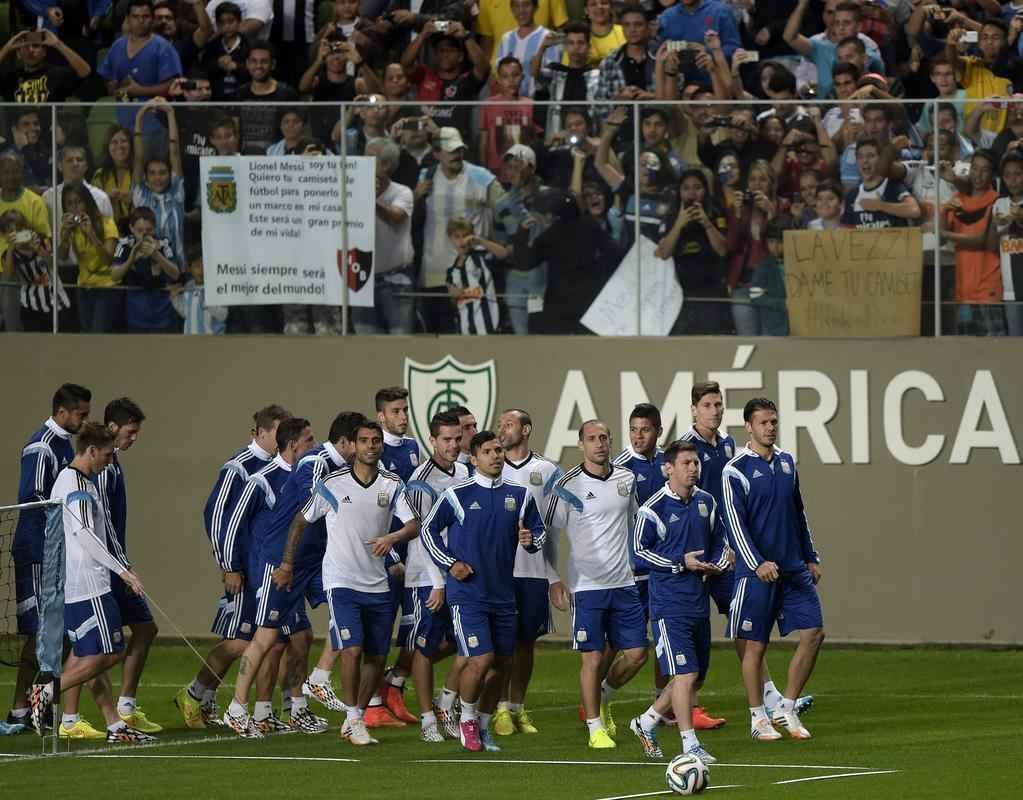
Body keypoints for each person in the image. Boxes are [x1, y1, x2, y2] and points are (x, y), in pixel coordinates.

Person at [237, 421, 418, 746]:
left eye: (376, 441)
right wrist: (288, 564)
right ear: (353, 444)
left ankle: (348, 711)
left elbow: (412, 524)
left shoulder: (392, 484)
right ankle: (245, 707)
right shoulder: (330, 482)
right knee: (350, 650)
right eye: (364, 440)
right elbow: (301, 520)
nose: (371, 446)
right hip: (339, 579)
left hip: (375, 582)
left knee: (375, 657)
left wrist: (392, 539)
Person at [27, 422, 155, 744]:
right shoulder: (76, 485)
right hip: (89, 584)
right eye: (108, 455)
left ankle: (113, 726)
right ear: (92, 451)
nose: (111, 461)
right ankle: (47, 689)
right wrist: (121, 571)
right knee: (110, 652)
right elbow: (85, 534)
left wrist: (123, 565)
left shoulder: (79, 480)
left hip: (75, 584)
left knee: (86, 656)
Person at [420, 430, 546, 753]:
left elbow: (539, 533)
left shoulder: (520, 495)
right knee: (481, 658)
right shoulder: (456, 495)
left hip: (504, 595)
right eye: (488, 451)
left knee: (502, 664)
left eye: (499, 450)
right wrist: (451, 564)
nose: (496, 455)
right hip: (468, 595)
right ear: (474, 459)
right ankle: (467, 720)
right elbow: (427, 530)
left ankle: (485, 726)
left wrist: (532, 542)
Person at [173, 405, 290, 729]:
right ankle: (194, 694)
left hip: (263, 569)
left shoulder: (280, 468)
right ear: (260, 433)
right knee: (241, 640)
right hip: (243, 569)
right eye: (278, 433)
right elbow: (217, 517)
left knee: (263, 638)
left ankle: (209, 700)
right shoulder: (239, 467)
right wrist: (228, 565)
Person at [722, 397, 824, 741]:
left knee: (814, 633)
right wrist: (756, 563)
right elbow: (734, 524)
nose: (770, 428)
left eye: (774, 422)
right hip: (756, 573)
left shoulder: (787, 462)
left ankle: (787, 707)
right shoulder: (734, 470)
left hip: (793, 568)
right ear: (748, 426)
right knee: (755, 646)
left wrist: (811, 556)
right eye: (763, 423)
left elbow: (799, 513)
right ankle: (757, 718)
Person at [218, 416, 326, 735]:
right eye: (309, 440)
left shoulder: (305, 472)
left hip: (297, 568)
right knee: (266, 639)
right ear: (294, 445)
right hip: (272, 569)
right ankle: (237, 708)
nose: (315, 445)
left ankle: (282, 710)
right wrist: (231, 566)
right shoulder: (262, 479)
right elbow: (233, 522)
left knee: (301, 637)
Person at [544, 420, 646, 749]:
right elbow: (545, 533)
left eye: (604, 437)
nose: (599, 444)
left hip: (624, 582)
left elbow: (636, 522)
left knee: (637, 654)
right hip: (586, 586)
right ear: (580, 445)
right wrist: (553, 578)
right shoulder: (567, 486)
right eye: (592, 439)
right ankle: (594, 728)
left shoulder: (626, 479)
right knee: (592, 658)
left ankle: (602, 697)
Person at [628, 439, 727, 764]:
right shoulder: (652, 509)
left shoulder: (706, 502)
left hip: (698, 602)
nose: (693, 469)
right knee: (684, 676)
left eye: (696, 463)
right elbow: (638, 554)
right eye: (686, 463)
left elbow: (719, 540)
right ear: (667, 468)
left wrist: (719, 562)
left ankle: (646, 722)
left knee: (693, 675)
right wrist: (679, 562)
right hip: (669, 606)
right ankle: (690, 745)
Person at [6, 383, 90, 731]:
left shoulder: (63, 444)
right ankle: (29, 710)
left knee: (51, 633)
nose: (84, 421)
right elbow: (35, 501)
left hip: (53, 551)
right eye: (80, 414)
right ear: (62, 411)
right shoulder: (41, 447)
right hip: (38, 551)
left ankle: (24, 711)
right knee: (44, 632)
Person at [492, 408, 564, 736]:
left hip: (534, 570)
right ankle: (499, 708)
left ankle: (518, 708)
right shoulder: (488, 466)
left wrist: (554, 576)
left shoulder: (547, 470)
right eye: (500, 425)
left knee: (525, 644)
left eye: (509, 424)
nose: (502, 430)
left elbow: (559, 521)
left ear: (527, 429)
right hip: (499, 572)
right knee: (501, 643)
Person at [401, 411, 471, 742]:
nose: (454, 445)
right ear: (432, 440)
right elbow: (422, 535)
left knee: (468, 644)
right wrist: (439, 581)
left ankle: (445, 703)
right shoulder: (421, 480)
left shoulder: (465, 471)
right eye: (446, 439)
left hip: (458, 571)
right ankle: (429, 719)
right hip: (427, 577)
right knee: (426, 648)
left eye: (458, 438)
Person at [93, 399, 161, 733]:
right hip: (103, 568)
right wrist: (120, 564)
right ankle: (67, 713)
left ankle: (126, 706)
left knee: (146, 628)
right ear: (113, 427)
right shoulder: (101, 467)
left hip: (118, 562)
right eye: (131, 432)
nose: (134, 438)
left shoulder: (113, 462)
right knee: (99, 646)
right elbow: (99, 523)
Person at [415, 127, 504, 333]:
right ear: (436, 153)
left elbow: (505, 212)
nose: (457, 154)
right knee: (438, 335)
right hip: (434, 273)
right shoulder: (425, 176)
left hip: (472, 274)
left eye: (459, 149)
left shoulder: (481, 177)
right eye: (450, 150)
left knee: (474, 332)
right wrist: (416, 195)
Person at [655, 168, 730, 335]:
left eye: (697, 187)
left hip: (711, 294)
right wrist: (679, 224)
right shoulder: (672, 216)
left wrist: (706, 223)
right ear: (679, 192)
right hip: (679, 296)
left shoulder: (716, 213)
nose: (692, 193)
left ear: (705, 190)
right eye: (686, 188)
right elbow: (662, 254)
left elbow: (723, 251)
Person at [353, 138, 415, 335]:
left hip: (395, 280)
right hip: (360, 281)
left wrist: (369, 199)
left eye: (370, 157)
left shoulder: (402, 192)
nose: (363, 160)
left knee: (400, 343)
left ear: (386, 164)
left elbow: (395, 218)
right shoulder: (350, 191)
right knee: (367, 348)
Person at [98, 0, 184, 136]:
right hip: (124, 123)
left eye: (145, 16)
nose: (141, 21)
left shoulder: (163, 47)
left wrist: (139, 91)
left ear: (152, 20)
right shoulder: (117, 46)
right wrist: (115, 88)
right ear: (128, 19)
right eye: (135, 17)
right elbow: (110, 84)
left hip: (156, 123)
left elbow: (173, 85)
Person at [943, 149, 1004, 336]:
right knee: (967, 351)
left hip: (988, 288)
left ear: (992, 174)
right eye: (975, 168)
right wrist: (943, 211)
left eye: (984, 170)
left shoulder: (997, 200)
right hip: (963, 289)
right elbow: (938, 237)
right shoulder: (958, 199)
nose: (978, 175)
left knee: (996, 349)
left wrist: (945, 233)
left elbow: (981, 241)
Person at [402, 23, 490, 138]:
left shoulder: (466, 81)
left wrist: (466, 37)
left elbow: (483, 66)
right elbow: (406, 63)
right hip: (426, 143)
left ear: (460, 57)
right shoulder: (425, 76)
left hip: (456, 143)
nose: (445, 55)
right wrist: (422, 35)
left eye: (450, 50)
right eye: (441, 51)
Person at [132, 99, 186, 270]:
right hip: (147, 271)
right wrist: (140, 116)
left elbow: (175, 152)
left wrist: (170, 113)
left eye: (163, 173)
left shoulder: (176, 194)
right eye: (152, 173)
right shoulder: (141, 194)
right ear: (146, 177)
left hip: (177, 269)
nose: (158, 178)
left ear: (170, 175)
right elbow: (139, 158)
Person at [58, 184, 120, 333]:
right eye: (69, 203)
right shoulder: (70, 227)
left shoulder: (107, 223)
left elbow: (107, 260)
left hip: (106, 287)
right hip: (83, 286)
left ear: (87, 202)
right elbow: (63, 256)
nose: (75, 207)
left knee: (98, 334)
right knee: (86, 335)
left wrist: (91, 234)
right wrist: (65, 236)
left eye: (78, 202)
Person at [0, 210, 70, 332]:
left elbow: (54, 263)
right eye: (11, 231)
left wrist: (39, 250)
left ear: (26, 227)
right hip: (30, 305)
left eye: (19, 228)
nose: (16, 233)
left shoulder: (42, 240)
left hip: (56, 300)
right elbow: (8, 278)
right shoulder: (8, 255)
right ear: (5, 235)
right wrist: (11, 248)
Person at [479, 57, 541, 181]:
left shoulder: (531, 105)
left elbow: (536, 142)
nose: (511, 80)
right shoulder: (489, 105)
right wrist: (484, 173)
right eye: (505, 76)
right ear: (499, 80)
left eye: (515, 75)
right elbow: (483, 142)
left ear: (522, 77)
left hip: (524, 173)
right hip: (496, 173)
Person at [840, 139, 921, 229]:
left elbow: (914, 210)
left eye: (870, 156)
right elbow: (846, 233)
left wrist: (880, 206)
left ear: (880, 159)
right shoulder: (852, 196)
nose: (865, 161)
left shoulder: (892, 185)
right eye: (860, 157)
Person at [235, 42, 299, 154]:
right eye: (254, 61)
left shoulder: (287, 93)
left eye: (264, 61)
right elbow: (234, 131)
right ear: (247, 64)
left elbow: (295, 131)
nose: (258, 66)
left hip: (277, 161)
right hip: (245, 160)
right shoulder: (240, 93)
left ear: (273, 64)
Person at [446, 218, 505, 335]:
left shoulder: (482, 256)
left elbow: (503, 254)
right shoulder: (451, 271)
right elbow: (452, 299)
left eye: (465, 235)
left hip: (489, 325)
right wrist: (453, 294)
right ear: (450, 238)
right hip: (465, 328)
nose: (461, 241)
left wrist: (480, 241)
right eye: (457, 237)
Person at [0, 28, 90, 102]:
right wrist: (7, 47)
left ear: (44, 52)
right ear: (18, 54)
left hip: (51, 124)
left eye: (36, 46)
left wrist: (57, 43)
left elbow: (85, 71)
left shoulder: (56, 74)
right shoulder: (10, 78)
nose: (31, 50)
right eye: (26, 46)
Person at [991, 151, 1023, 335]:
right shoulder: (999, 204)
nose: (1013, 179)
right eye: (1008, 175)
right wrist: (1000, 228)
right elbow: (990, 245)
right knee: (1016, 344)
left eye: (1018, 174)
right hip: (1010, 291)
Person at [495, 0, 552, 98]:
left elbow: (551, 75)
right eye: (517, 6)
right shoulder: (506, 38)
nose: (521, 10)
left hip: (537, 104)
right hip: (510, 105)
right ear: (512, 9)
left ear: (535, 7)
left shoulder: (547, 37)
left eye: (526, 5)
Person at [199, 1, 251, 100]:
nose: (226, 26)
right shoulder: (211, 46)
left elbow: (257, 72)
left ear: (239, 22)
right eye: (221, 22)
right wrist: (218, 66)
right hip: (216, 99)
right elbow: (203, 72)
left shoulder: (249, 45)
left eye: (231, 21)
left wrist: (236, 66)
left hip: (244, 99)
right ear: (217, 24)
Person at [749, 219, 790, 336]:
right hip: (774, 328)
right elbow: (755, 296)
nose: (775, 247)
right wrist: (782, 304)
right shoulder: (765, 266)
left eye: (780, 241)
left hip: (800, 327)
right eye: (771, 241)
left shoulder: (800, 265)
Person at [93, 128, 135, 233]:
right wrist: (106, 198)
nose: (119, 146)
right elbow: (92, 205)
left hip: (136, 231)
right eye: (114, 142)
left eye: (124, 141)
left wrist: (135, 199)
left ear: (131, 145)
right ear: (108, 147)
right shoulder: (100, 175)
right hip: (108, 232)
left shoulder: (139, 173)